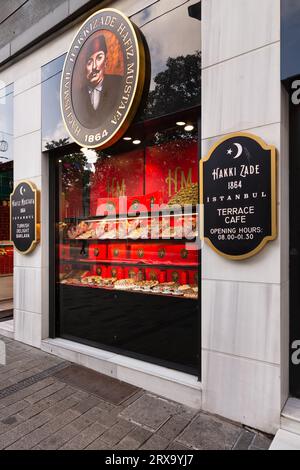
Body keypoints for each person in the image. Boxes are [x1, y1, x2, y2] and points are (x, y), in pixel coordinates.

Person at [73, 35, 123, 129]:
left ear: (106, 61)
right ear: (85, 68)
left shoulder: (119, 83)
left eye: (99, 58)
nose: (94, 67)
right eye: (89, 62)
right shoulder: (78, 96)